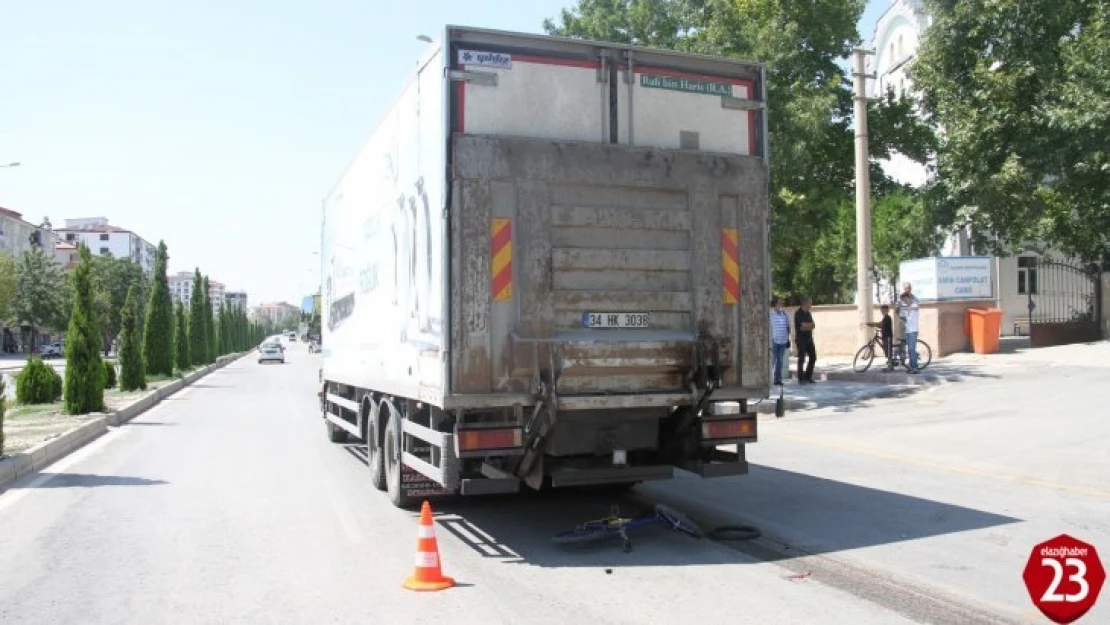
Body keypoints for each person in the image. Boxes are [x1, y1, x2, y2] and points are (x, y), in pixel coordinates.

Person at [794, 297, 817, 383]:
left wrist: (807, 326)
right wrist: (808, 326)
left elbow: (813, 325)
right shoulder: (798, 313)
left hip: (809, 339)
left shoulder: (808, 313)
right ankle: (801, 378)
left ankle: (808, 376)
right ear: (805, 303)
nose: (811, 305)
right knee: (801, 359)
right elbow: (803, 325)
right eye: (810, 303)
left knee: (813, 357)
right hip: (801, 339)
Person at [769, 297, 791, 385]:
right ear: (775, 304)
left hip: (783, 341)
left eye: (781, 303)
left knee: (780, 361)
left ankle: (777, 379)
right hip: (774, 340)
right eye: (778, 303)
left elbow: (788, 326)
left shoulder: (784, 314)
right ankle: (768, 379)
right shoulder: (770, 314)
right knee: (772, 361)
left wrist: (787, 337)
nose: (780, 305)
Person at [866, 305, 895, 370]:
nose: (883, 312)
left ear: (887, 311)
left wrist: (872, 324)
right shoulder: (884, 318)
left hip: (888, 337)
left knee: (888, 351)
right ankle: (890, 364)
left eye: (884, 310)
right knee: (886, 351)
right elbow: (881, 325)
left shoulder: (887, 317)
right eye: (882, 311)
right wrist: (873, 325)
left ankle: (890, 367)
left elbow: (881, 324)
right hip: (885, 336)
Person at [899, 291, 921, 373]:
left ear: (908, 298)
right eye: (903, 300)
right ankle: (911, 366)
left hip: (913, 330)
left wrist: (909, 307)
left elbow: (917, 307)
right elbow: (902, 316)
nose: (904, 301)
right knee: (910, 350)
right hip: (908, 331)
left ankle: (915, 367)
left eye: (905, 299)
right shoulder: (904, 308)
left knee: (912, 349)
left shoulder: (914, 304)